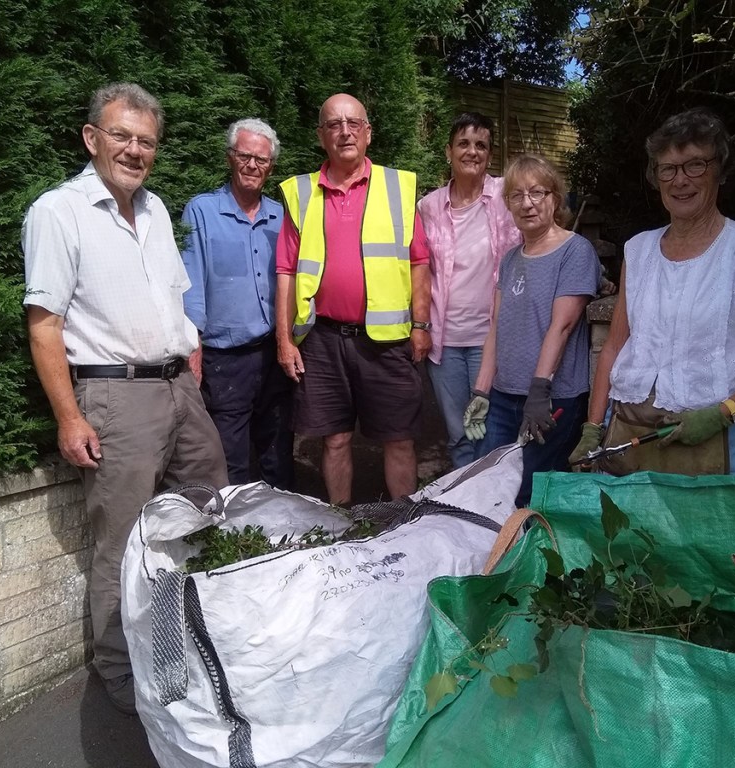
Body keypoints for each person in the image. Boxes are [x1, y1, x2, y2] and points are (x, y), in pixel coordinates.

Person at [22, 82, 227, 714]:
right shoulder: (58, 212)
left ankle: (193, 637)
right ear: (91, 138)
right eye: (122, 136)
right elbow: (43, 324)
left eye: (146, 141)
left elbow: (173, 297)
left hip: (178, 390)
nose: (135, 150)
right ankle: (120, 674)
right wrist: (69, 416)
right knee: (124, 539)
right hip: (114, 397)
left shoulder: (159, 210)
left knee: (208, 509)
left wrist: (188, 365)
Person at [569, 108, 735, 475]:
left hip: (708, 440)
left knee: (703, 534)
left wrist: (723, 413)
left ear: (719, 170)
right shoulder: (637, 250)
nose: (680, 180)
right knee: (622, 532)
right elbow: (615, 348)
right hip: (626, 429)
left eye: (695, 165)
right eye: (667, 168)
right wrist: (592, 429)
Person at [275, 93, 431, 506]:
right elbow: (286, 271)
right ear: (321, 136)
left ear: (368, 133)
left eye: (353, 123)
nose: (344, 132)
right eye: (334, 124)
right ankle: (340, 522)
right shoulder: (301, 192)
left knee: (400, 440)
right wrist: (284, 341)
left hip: (387, 340)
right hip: (323, 340)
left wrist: (421, 325)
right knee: (335, 440)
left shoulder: (398, 187)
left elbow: (419, 262)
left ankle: (404, 523)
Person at [464, 154, 600, 505]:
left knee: (533, 493)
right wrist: (481, 391)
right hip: (504, 397)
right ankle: (500, 557)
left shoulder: (575, 251)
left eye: (537, 193)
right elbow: (498, 324)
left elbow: (563, 324)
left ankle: (537, 557)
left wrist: (539, 392)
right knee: (495, 487)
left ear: (555, 198)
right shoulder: (511, 258)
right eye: (516, 195)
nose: (527, 203)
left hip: (551, 399)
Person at [181, 118, 293, 490]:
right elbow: (191, 285)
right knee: (230, 455)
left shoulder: (282, 216)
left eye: (261, 160)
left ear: (270, 166)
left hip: (274, 353)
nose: (252, 166)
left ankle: (284, 531)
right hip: (226, 361)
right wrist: (193, 351)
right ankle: (234, 534)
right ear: (231, 157)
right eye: (245, 156)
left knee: (278, 449)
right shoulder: (202, 211)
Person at [418, 112, 521, 469]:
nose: (472, 151)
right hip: (444, 342)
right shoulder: (428, 207)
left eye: (481, 145)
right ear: (449, 151)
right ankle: (465, 510)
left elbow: (541, 236)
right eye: (464, 143)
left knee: (491, 429)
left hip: (490, 337)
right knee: (458, 433)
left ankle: (494, 508)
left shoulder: (507, 196)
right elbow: (418, 270)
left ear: (490, 156)